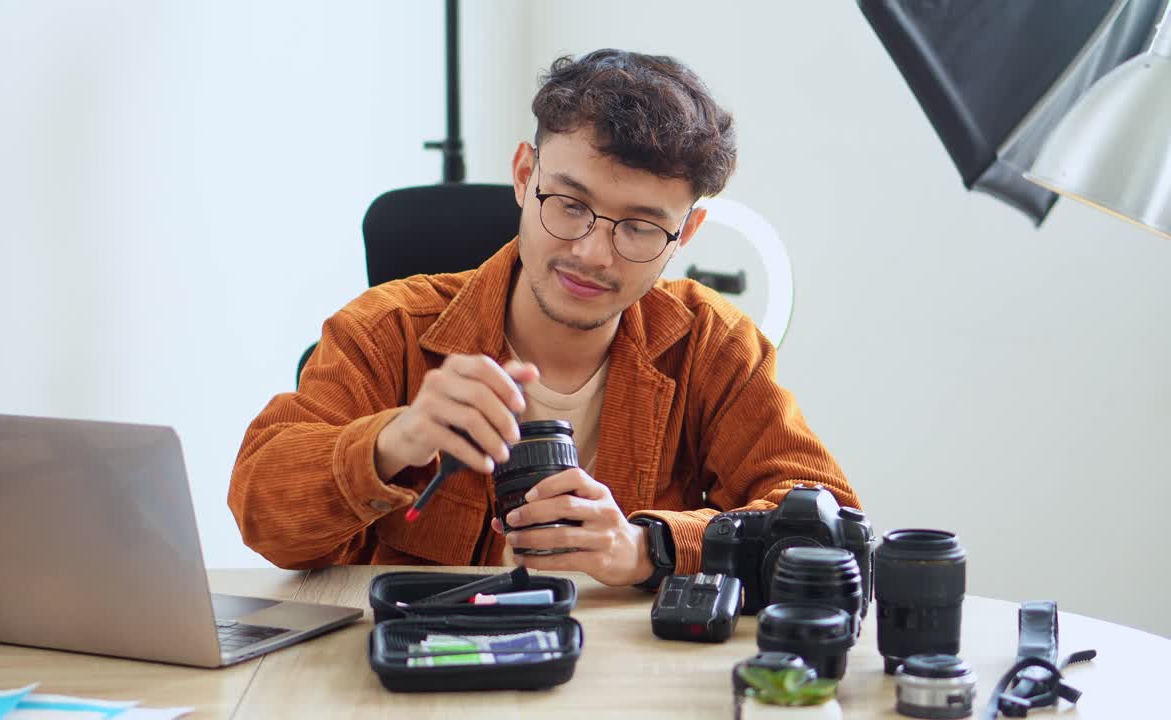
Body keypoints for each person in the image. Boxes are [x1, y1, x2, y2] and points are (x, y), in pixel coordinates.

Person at [228, 48, 859, 589]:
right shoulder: (386, 328)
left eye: (639, 227)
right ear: (525, 176)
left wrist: (649, 548)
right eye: (569, 203)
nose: (591, 252)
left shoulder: (713, 346)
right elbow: (261, 512)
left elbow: (833, 528)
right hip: (424, 671)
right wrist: (396, 439)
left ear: (686, 231)